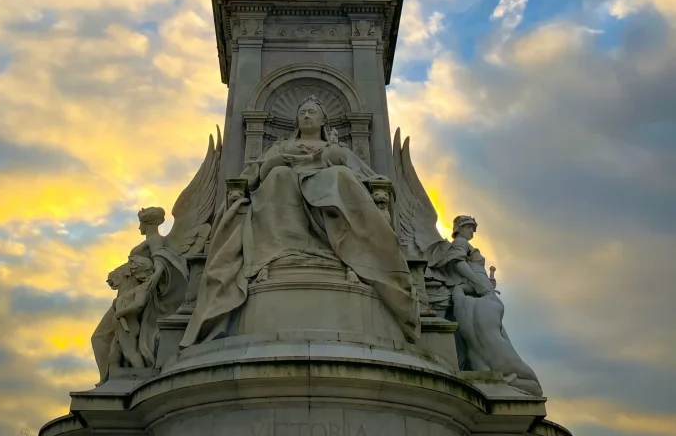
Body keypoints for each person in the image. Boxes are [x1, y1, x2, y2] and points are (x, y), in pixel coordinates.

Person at [182, 96, 419, 346]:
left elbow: (363, 174)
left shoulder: (336, 149)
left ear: (323, 120)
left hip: (326, 187)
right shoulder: (281, 146)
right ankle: (275, 255)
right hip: (285, 187)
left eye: (312, 112)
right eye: (303, 112)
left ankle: (344, 252)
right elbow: (256, 174)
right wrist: (276, 163)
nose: (306, 116)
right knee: (279, 176)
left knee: (340, 176)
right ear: (296, 119)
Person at [426, 216, 542, 396]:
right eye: (469, 227)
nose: (472, 231)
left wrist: (486, 282)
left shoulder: (466, 245)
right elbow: (458, 263)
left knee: (490, 340)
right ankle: (511, 376)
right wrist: (478, 283)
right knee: (492, 340)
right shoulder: (461, 243)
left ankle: (505, 375)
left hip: (478, 294)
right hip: (477, 295)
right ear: (459, 228)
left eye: (473, 228)